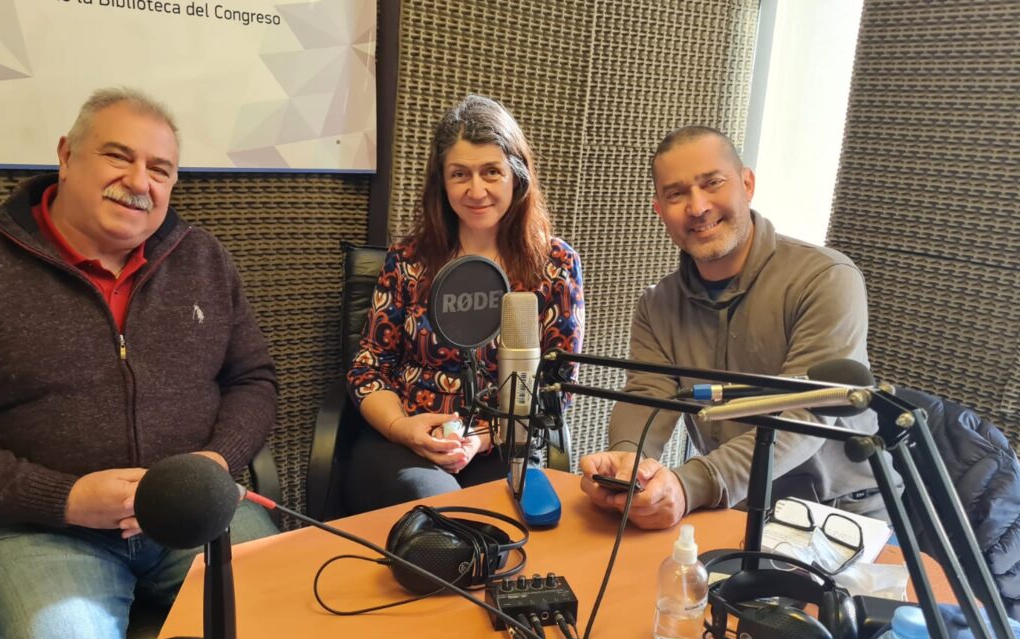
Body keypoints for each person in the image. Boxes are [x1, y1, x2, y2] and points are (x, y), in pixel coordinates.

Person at [0, 88, 279, 639]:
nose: (139, 181)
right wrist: (66, 499)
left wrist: (216, 463)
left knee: (298, 627)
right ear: (67, 155)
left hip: (198, 511)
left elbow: (252, 379)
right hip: (42, 532)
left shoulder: (205, 260)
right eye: (118, 156)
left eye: (160, 168)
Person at [579, 125, 898, 530]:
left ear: (747, 184)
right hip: (738, 508)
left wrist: (690, 484)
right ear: (659, 209)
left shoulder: (826, 278)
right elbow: (648, 394)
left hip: (841, 515)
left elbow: (805, 415)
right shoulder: (657, 304)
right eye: (677, 194)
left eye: (712, 183)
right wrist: (627, 467)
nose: (697, 207)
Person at [345, 95, 584, 514]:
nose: (477, 191)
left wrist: (484, 435)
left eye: (491, 171)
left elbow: (554, 385)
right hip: (405, 439)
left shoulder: (555, 266)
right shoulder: (407, 262)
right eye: (460, 174)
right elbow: (369, 369)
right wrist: (405, 428)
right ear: (442, 182)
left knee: (494, 522)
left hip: (500, 441)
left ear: (517, 175)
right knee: (436, 509)